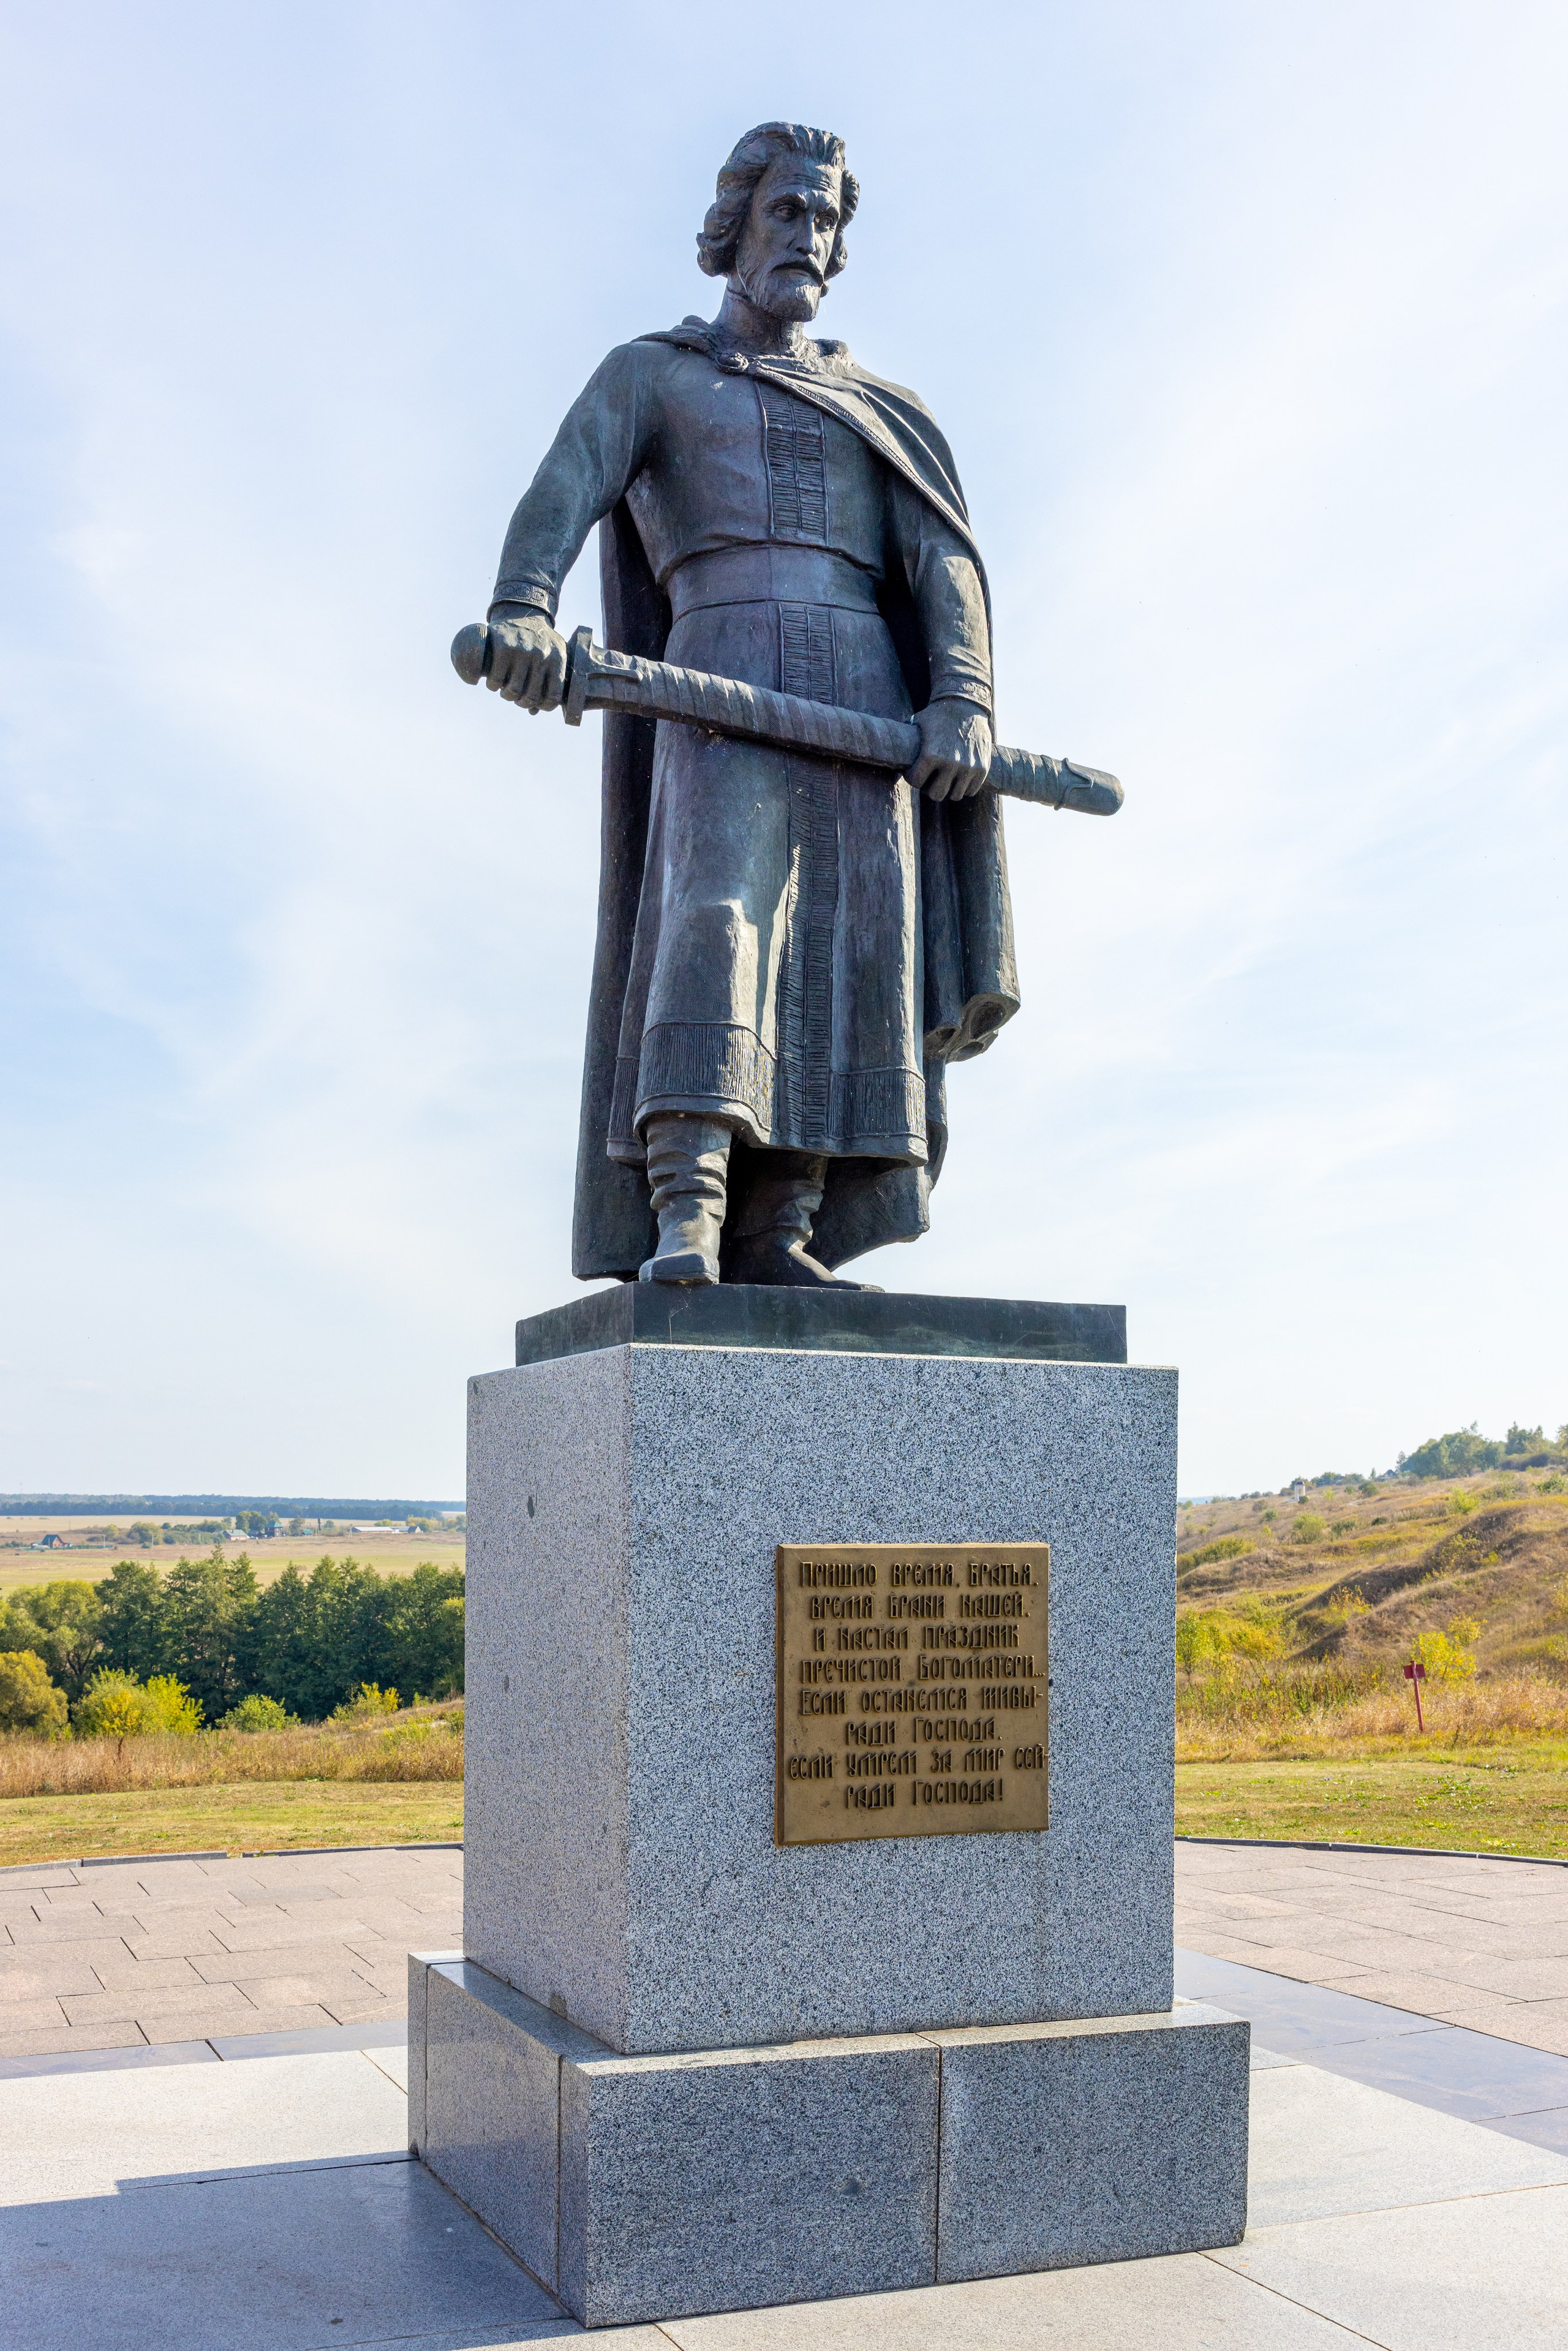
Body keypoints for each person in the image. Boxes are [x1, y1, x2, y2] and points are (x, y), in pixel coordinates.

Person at [484, 121, 1018, 1288]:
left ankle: (784, 1223)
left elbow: (945, 562)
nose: (810, 239)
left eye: (826, 219)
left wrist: (964, 694)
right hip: (718, 671)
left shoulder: (882, 406)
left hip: (868, 693)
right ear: (732, 228)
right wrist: (526, 610)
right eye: (789, 212)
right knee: (717, 921)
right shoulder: (654, 376)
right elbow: (562, 490)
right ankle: (688, 1207)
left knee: (853, 941)